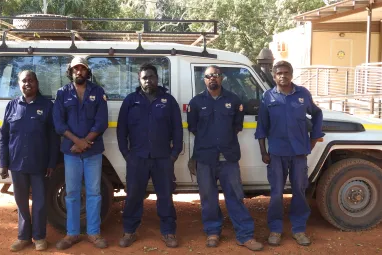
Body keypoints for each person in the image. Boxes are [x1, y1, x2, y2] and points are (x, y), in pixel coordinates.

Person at [187, 65, 263, 251]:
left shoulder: (234, 100)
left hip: (228, 157)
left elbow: (238, 126)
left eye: (216, 75)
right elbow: (193, 127)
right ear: (204, 80)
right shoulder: (196, 102)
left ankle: (244, 235)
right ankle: (213, 232)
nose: (212, 78)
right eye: (208, 76)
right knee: (208, 198)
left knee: (235, 196)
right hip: (205, 157)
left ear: (222, 78)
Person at [255, 60, 324, 246]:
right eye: (279, 73)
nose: (282, 75)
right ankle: (275, 230)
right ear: (274, 75)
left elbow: (317, 114)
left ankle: (299, 229)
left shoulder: (302, 94)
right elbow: (261, 126)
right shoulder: (268, 97)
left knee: (299, 192)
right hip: (276, 153)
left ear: (291, 74)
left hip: (299, 153)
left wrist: (313, 140)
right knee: (276, 193)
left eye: (286, 72)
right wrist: (263, 152)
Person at [116, 63, 183, 248]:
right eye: (144, 77)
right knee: (133, 196)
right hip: (137, 158)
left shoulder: (168, 101)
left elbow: (177, 129)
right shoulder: (131, 101)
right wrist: (126, 154)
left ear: (157, 78)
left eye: (151, 77)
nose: (148, 80)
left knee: (165, 196)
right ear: (139, 79)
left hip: (163, 159)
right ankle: (130, 231)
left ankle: (168, 232)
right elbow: (122, 130)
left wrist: (174, 154)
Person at [0, 70, 60, 252]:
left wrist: (51, 163)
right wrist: (4, 163)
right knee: (21, 202)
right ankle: (23, 237)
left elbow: (53, 138)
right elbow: (4, 137)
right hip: (17, 164)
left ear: (37, 83)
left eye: (31, 80)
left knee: (40, 203)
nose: (27, 84)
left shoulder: (47, 106)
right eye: (24, 81)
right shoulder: (11, 106)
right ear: (19, 84)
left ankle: (40, 237)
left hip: (39, 164)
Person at [53, 56, 108, 250]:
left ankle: (94, 233)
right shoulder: (62, 93)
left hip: (93, 151)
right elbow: (59, 124)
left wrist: (86, 142)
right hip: (71, 151)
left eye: (82, 69)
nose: (79, 72)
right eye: (75, 69)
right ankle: (72, 233)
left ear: (87, 72)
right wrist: (77, 142)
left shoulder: (98, 91)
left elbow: (102, 122)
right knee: (72, 193)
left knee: (94, 193)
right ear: (70, 72)